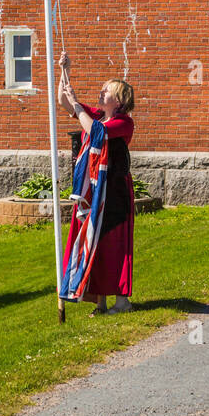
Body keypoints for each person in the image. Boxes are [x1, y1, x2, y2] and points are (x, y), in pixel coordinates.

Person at [57, 50, 135, 316]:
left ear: (120, 100)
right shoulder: (99, 116)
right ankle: (100, 302)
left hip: (114, 191)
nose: (101, 93)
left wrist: (78, 105)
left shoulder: (124, 122)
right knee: (96, 242)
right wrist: (64, 71)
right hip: (95, 189)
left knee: (114, 244)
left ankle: (122, 301)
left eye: (107, 91)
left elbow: (96, 133)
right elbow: (65, 103)